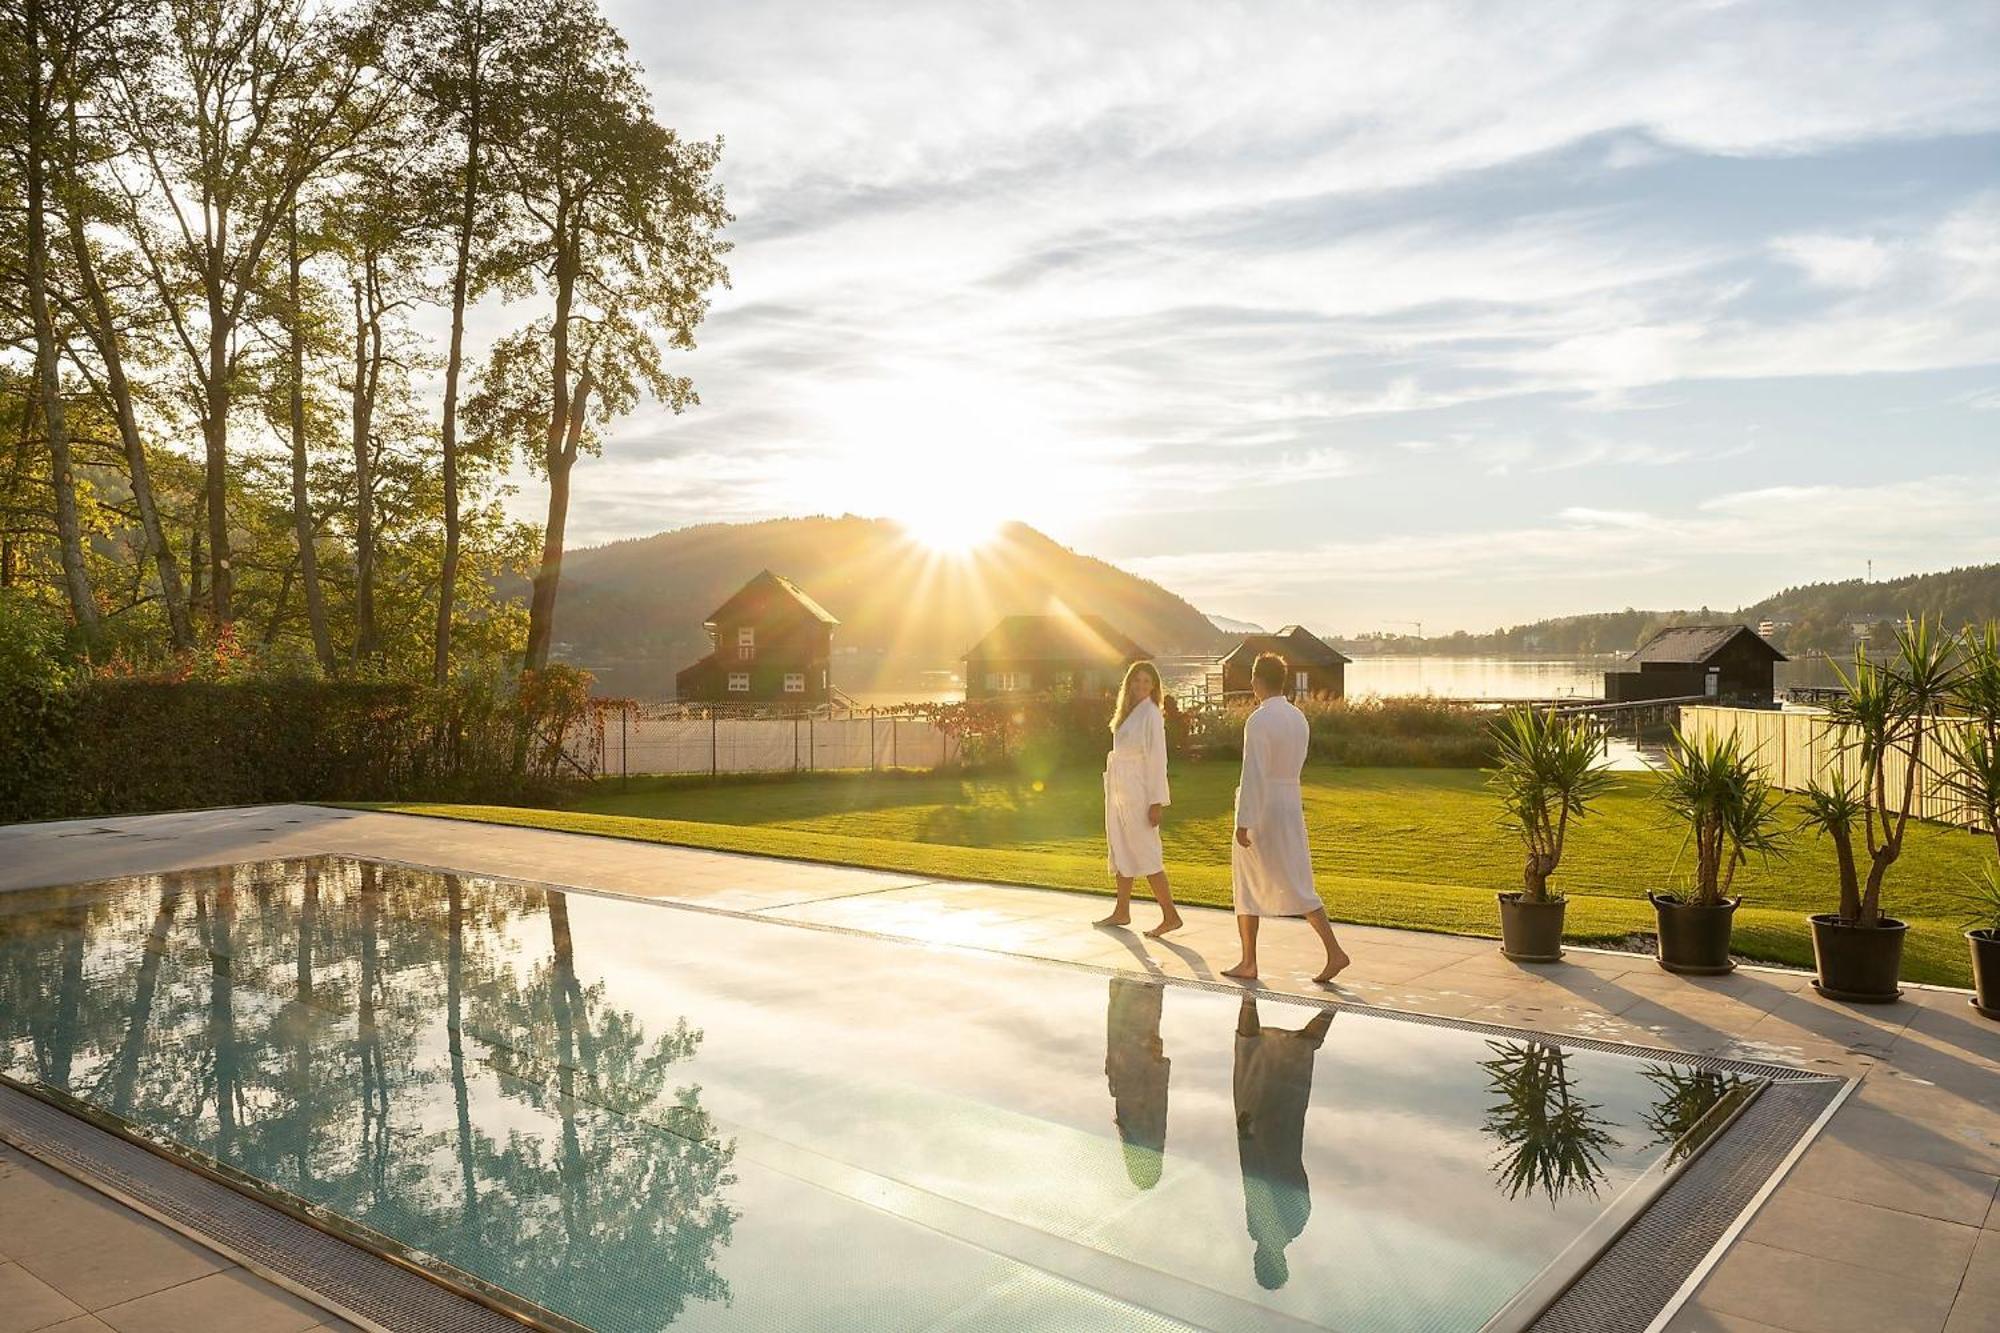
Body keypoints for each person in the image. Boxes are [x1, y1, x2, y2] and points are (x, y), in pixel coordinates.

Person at [1223, 653, 1350, 983]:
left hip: (1265, 807)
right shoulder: (1298, 718)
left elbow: (1254, 773)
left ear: (1256, 681)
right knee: (1297, 879)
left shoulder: (1258, 721)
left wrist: (1243, 820)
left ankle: (1249, 962)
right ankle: (1332, 951)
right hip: (1290, 802)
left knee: (1249, 883)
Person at [1233, 996, 1334, 1290]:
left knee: (1254, 1060)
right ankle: (1249, 997)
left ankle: (1250, 998)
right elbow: (1289, 1181)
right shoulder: (1285, 1227)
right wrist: (1258, 1140)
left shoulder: (1280, 1228)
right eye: (1262, 1263)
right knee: (1251, 1057)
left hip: (1275, 1139)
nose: (1258, 1258)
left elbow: (1295, 1185)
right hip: (1270, 1139)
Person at [1096, 659, 1184, 937]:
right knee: (1122, 846)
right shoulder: (1127, 713)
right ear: (1129, 683)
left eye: (1147, 681)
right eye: (1138, 680)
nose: (1142, 685)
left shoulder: (1151, 714)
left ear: (1154, 686)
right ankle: (1122, 911)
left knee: (1146, 850)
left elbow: (1159, 760)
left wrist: (1156, 801)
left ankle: (1171, 916)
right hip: (1121, 788)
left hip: (1138, 790)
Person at [1103, 977, 1171, 1190]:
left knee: (1130, 1007)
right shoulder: (1146, 1139)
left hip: (1132, 1064)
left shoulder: (1145, 1140)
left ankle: (1140, 984)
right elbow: (1157, 1099)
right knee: (1132, 1006)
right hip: (1134, 1063)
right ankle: (1140, 984)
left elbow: (1157, 1097)